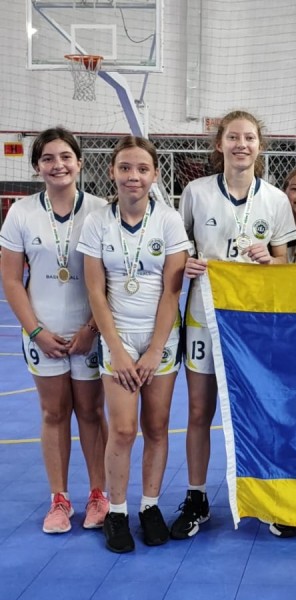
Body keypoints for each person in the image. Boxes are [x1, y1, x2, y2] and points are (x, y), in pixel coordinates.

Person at [172, 110, 296, 540]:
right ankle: (196, 496)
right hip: (203, 317)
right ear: (220, 144)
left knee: (261, 410)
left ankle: (269, 497)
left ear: (260, 146)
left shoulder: (276, 200)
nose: (241, 144)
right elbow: (177, 252)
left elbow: (287, 264)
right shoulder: (195, 192)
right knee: (199, 410)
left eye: (249, 138)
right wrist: (184, 263)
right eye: (233, 137)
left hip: (255, 323)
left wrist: (272, 260)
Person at [78, 136, 190, 553]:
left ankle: (150, 506)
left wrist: (155, 350)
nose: (133, 176)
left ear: (154, 174)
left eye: (142, 169)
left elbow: (171, 292)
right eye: (125, 167)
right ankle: (118, 511)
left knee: (156, 428)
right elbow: (95, 291)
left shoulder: (169, 221)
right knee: (123, 430)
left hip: (161, 337)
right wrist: (119, 350)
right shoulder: (98, 223)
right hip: (118, 337)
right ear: (112, 172)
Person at [0, 127, 109, 534]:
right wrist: (36, 332)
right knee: (53, 412)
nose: (57, 164)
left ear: (80, 162)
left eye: (65, 156)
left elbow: (109, 278)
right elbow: (11, 279)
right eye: (48, 158)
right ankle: (59, 499)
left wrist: (91, 328)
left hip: (89, 332)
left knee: (91, 412)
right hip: (42, 331)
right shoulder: (21, 212)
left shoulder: (100, 210)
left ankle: (99, 494)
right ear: (36, 167)